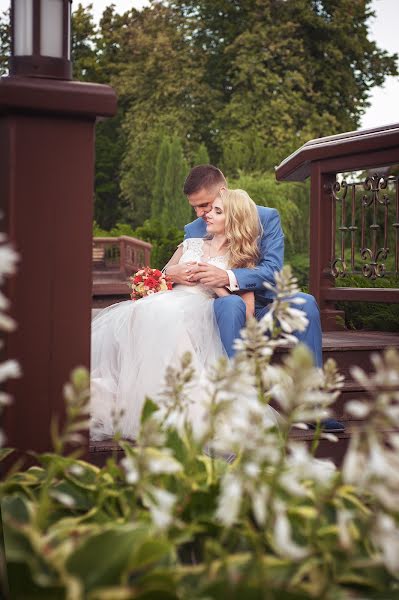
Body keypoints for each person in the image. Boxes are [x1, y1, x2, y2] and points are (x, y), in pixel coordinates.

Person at [165, 165, 344, 434]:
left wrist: (227, 277)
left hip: (262, 307)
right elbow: (177, 266)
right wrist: (172, 273)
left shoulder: (266, 218)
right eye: (195, 207)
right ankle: (241, 398)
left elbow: (272, 270)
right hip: (215, 310)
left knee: (304, 303)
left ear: (223, 193)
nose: (200, 214)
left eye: (204, 205)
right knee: (229, 303)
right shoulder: (194, 229)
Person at [90, 189, 277, 441]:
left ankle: (180, 416)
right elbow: (162, 278)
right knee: (140, 313)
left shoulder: (241, 259)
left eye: (217, 211)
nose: (207, 215)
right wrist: (171, 275)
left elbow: (248, 312)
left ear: (233, 220)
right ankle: (137, 404)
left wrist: (216, 284)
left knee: (166, 319)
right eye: (210, 210)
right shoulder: (190, 244)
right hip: (166, 301)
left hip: (198, 311)